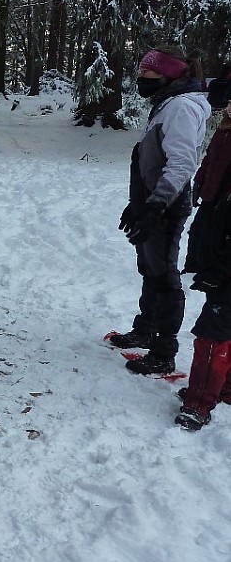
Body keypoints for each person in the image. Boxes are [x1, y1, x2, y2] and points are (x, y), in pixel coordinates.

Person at [111, 44, 210, 375]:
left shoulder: (182, 107)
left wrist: (154, 206)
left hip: (166, 203)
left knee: (164, 275)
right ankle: (146, 328)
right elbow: (152, 158)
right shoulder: (168, 103)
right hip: (152, 200)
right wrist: (136, 204)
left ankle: (164, 350)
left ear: (168, 74)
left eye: (147, 72)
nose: (141, 77)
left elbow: (182, 163)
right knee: (149, 268)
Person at [174, 84, 231, 429]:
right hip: (218, 247)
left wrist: (220, 269)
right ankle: (222, 389)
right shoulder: (225, 134)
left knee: (213, 333)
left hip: (226, 265)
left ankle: (199, 402)